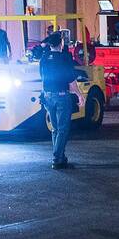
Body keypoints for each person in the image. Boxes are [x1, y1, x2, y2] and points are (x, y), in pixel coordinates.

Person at [39, 32, 80, 169]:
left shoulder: (44, 58)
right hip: (61, 95)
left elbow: (42, 76)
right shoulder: (64, 58)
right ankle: (57, 158)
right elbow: (71, 80)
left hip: (47, 95)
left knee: (55, 129)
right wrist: (80, 96)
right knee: (62, 129)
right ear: (61, 43)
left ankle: (61, 157)